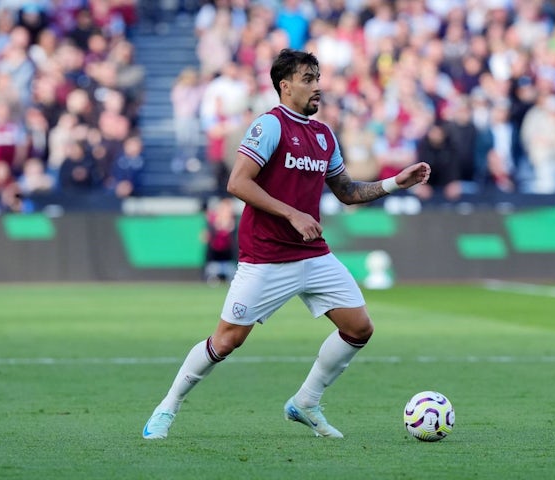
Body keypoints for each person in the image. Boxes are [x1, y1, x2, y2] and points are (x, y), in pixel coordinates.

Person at [142, 49, 431, 440]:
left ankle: (306, 402)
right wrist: (292, 213)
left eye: (318, 78)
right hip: (266, 258)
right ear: (285, 85)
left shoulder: (323, 134)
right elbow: (237, 182)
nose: (317, 87)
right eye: (308, 79)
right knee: (227, 341)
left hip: (313, 255)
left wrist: (397, 182)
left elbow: (346, 191)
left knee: (359, 328)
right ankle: (167, 406)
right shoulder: (270, 126)